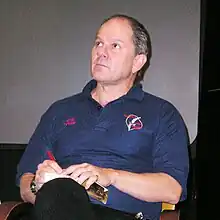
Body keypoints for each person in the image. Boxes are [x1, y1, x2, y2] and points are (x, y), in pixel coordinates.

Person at [16, 14, 189, 220]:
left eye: (115, 46)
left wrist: (110, 176)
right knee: (57, 193)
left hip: (121, 215)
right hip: (55, 206)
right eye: (98, 43)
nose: (101, 52)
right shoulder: (59, 111)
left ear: (137, 62)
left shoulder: (162, 114)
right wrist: (39, 184)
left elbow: (172, 190)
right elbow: (25, 183)